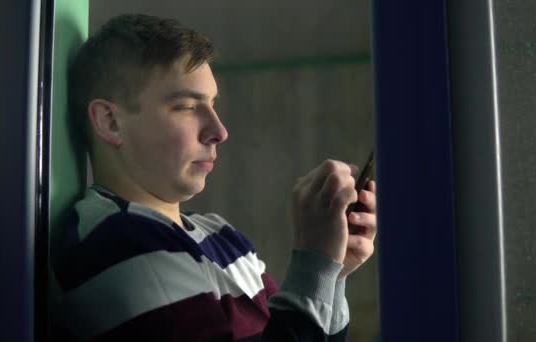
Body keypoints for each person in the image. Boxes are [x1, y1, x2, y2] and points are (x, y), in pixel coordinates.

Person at [51, 13, 377, 341]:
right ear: (110, 121)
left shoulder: (221, 235)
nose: (218, 131)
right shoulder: (116, 241)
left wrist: (333, 272)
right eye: (186, 107)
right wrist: (314, 262)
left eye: (212, 104)